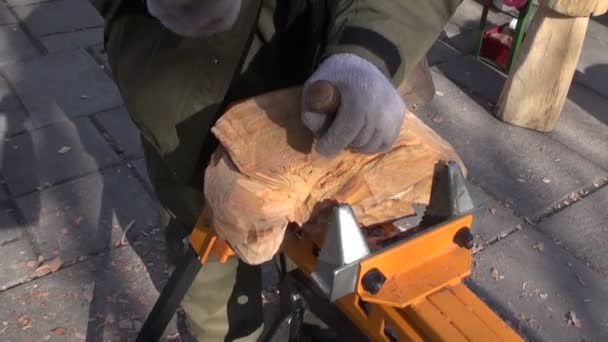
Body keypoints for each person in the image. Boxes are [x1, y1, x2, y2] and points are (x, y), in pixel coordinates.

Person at [90, 0, 463, 340]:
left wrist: (373, 47)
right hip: (191, 91)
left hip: (340, 73)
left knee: (337, 261)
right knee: (209, 259)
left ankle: (323, 329)